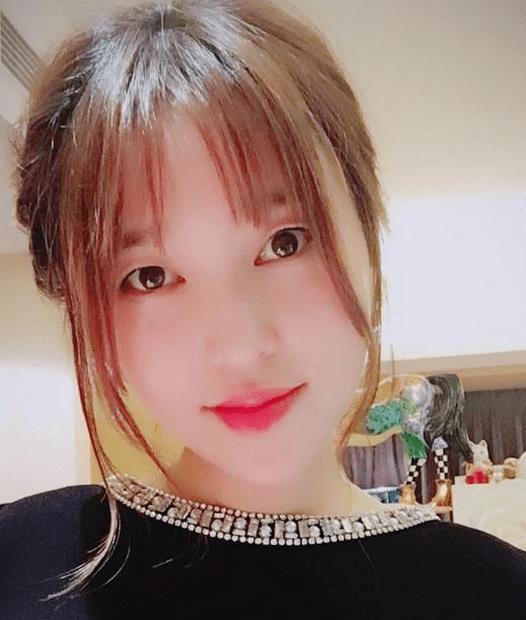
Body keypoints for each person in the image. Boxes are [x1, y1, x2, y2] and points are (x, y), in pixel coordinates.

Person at [1, 1, 525, 618]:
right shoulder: (23, 565)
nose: (241, 348)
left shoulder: (494, 592)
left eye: (285, 242)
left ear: (368, 228)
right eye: (149, 276)